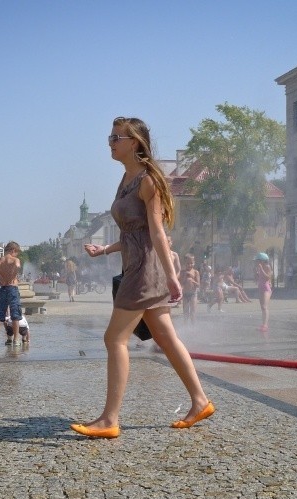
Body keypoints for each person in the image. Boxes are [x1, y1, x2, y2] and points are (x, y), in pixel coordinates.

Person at [71, 116, 214, 439]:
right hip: (135, 264)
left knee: (114, 339)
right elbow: (134, 233)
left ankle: (109, 419)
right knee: (164, 336)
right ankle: (200, 401)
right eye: (111, 136)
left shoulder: (148, 181)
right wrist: (106, 249)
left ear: (134, 142)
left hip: (144, 271)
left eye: (116, 137)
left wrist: (173, 275)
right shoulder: (126, 180)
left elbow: (157, 233)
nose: (110, 142)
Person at [179, 253, 200, 325]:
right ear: (185, 263)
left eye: (191, 263)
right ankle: (185, 326)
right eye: (188, 263)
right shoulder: (182, 272)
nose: (190, 265)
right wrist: (185, 277)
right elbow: (181, 284)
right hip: (185, 294)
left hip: (193, 294)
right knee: (185, 312)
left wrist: (193, 280)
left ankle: (193, 326)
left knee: (193, 311)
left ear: (194, 263)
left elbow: (198, 285)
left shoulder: (195, 272)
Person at [254, 252, 273, 331]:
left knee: (265, 307)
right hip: (260, 287)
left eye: (257, 261)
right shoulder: (258, 268)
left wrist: (261, 269)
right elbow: (257, 279)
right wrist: (256, 272)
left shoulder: (267, 267)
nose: (256, 262)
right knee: (262, 307)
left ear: (262, 261)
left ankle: (265, 325)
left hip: (266, 288)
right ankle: (263, 324)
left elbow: (267, 277)